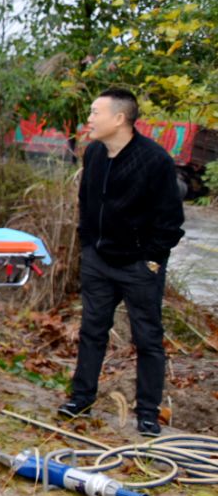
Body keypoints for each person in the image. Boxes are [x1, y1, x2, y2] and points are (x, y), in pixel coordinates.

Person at [58, 89, 184, 437]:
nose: (89, 119)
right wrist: (88, 245)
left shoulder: (155, 161)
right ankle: (80, 398)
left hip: (139, 266)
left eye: (96, 112)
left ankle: (147, 413)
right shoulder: (95, 152)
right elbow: (86, 202)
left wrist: (152, 261)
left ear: (119, 119)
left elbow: (171, 221)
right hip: (99, 260)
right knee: (92, 331)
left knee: (147, 338)